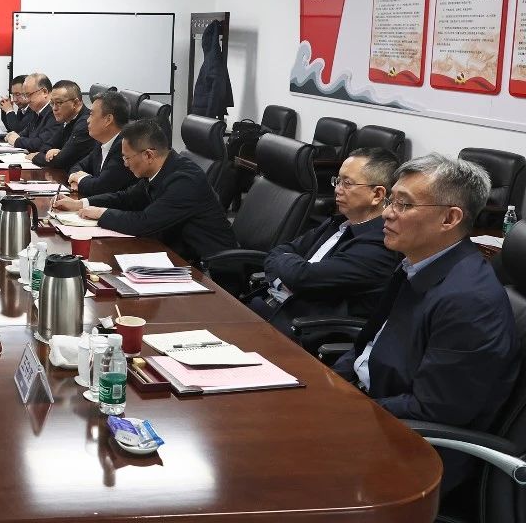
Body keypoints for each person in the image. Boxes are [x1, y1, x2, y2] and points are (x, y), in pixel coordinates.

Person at [332, 154, 518, 493]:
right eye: (390, 200)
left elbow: (433, 410)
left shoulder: (469, 301)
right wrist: (330, 383)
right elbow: (368, 346)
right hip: (374, 410)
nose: (387, 213)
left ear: (449, 218)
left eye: (403, 205)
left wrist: (345, 410)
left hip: (412, 451)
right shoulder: (417, 264)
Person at [250, 148, 403, 332]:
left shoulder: (379, 245)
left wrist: (290, 270)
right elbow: (278, 251)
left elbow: (302, 277)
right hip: (271, 307)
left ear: (377, 194)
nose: (337, 189)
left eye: (347, 183)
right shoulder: (338, 222)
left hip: (302, 332)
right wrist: (289, 274)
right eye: (338, 181)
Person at [53, 118, 238, 263]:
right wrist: (81, 204)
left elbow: (144, 222)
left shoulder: (185, 180)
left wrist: (102, 214)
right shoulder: (162, 169)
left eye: (127, 158)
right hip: (176, 252)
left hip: (211, 268)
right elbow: (126, 198)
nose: (125, 164)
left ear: (148, 155)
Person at [68, 91, 137, 198]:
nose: (87, 120)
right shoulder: (101, 142)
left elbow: (100, 188)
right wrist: (76, 178)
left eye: (91, 114)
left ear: (108, 120)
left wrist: (80, 179)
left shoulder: (124, 147)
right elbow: (78, 166)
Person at [31, 80, 92, 169]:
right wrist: (56, 152)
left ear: (75, 103)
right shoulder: (66, 118)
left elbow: (60, 161)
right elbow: (46, 146)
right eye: (52, 103)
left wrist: (36, 157)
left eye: (59, 103)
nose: (54, 108)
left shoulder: (86, 123)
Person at [5, 73, 58, 152]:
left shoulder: (55, 112)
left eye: (28, 95)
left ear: (44, 92)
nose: (26, 100)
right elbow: (23, 134)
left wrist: (17, 141)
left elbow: (41, 144)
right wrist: (12, 136)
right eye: (24, 95)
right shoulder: (36, 111)